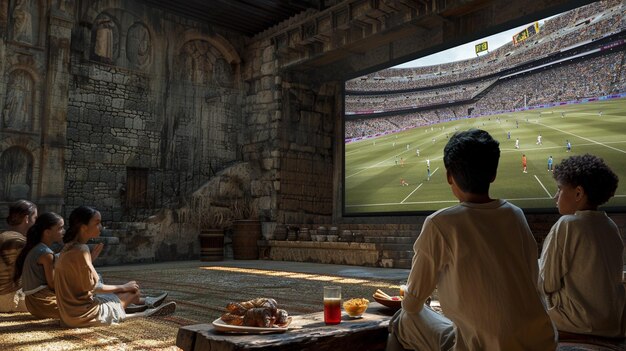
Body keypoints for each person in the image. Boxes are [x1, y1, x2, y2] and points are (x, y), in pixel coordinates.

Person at [386, 129, 556, 351]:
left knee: (403, 319)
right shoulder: (515, 214)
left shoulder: (439, 224)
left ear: (449, 176)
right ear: (493, 174)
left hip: (481, 346)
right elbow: (532, 280)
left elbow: (411, 303)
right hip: (540, 343)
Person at [539, 154, 625, 338]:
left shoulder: (567, 224)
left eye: (559, 189)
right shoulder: (610, 226)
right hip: (612, 322)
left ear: (578, 193)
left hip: (577, 323)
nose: (555, 197)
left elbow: (546, 283)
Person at [54, 206, 175, 327]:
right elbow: (94, 288)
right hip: (82, 315)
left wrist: (90, 261)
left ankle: (137, 306)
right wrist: (122, 287)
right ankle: (144, 311)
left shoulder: (68, 247)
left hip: (67, 315)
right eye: (97, 223)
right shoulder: (81, 249)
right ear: (84, 227)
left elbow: (79, 281)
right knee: (132, 291)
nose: (100, 227)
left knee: (125, 292)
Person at [13, 212, 65, 318]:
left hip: (32, 303)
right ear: (47, 232)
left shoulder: (37, 248)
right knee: (79, 309)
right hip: (43, 301)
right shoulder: (46, 253)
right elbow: (52, 284)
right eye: (60, 228)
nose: (63, 231)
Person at [0, 200, 37, 313]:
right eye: (35, 218)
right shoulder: (20, 242)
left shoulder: (3, 236)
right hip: (10, 298)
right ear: (26, 219)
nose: (36, 223)